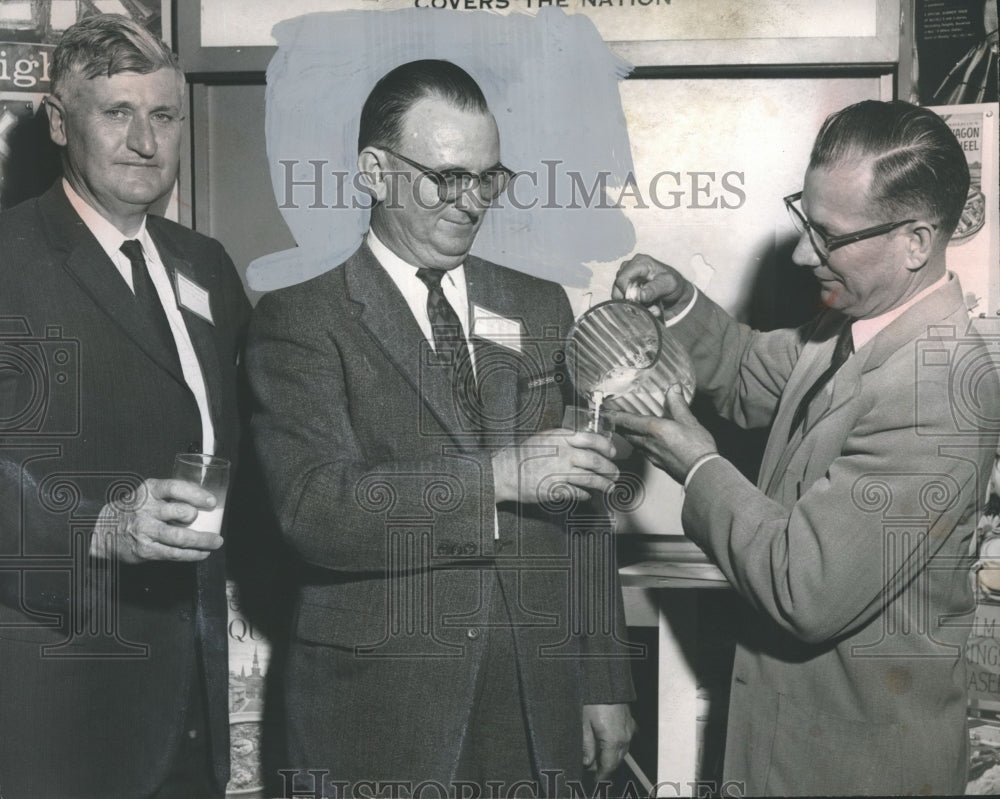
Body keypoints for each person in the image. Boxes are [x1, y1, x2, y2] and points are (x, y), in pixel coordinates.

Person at [246, 59, 636, 795]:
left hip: (533, 701)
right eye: (446, 177)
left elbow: (585, 510)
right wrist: (499, 477)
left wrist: (604, 677)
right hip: (378, 711)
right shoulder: (299, 320)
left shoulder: (540, 307)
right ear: (375, 171)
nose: (471, 202)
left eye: (487, 178)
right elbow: (315, 508)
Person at [610, 99, 1000, 796]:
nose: (799, 253)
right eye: (804, 220)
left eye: (828, 235)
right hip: (789, 750)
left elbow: (804, 586)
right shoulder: (853, 327)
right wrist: (679, 304)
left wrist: (697, 465)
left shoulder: (936, 387)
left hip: (859, 771)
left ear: (916, 241)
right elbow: (742, 374)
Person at [0, 15, 251, 799]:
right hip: (56, 709)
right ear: (57, 121)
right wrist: (99, 527)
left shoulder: (203, 264)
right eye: (117, 112)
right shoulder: (9, 258)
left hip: (194, 706)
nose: (146, 140)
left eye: (165, 115)